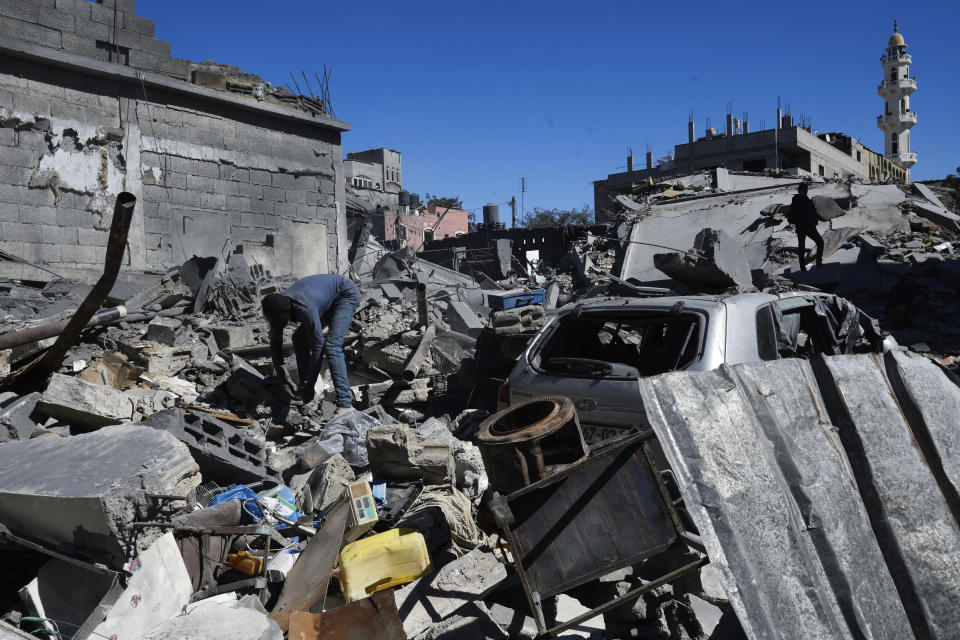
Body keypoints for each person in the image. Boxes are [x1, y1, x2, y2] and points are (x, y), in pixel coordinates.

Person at [261, 274, 360, 415]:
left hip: (345, 295)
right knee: (298, 338)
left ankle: (345, 404)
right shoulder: (276, 307)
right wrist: (283, 379)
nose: (280, 325)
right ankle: (303, 391)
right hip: (325, 298)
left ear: (288, 312)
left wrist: (310, 383)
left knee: (332, 346)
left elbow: (317, 347)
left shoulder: (305, 308)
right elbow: (275, 344)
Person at [787, 183, 824, 271]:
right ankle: (802, 268)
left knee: (820, 242)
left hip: (811, 227)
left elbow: (814, 213)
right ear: (799, 191)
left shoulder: (809, 201)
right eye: (804, 190)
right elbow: (790, 217)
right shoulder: (796, 202)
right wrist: (799, 222)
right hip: (801, 228)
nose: (805, 191)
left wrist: (814, 222)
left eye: (806, 190)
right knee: (802, 248)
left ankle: (819, 263)